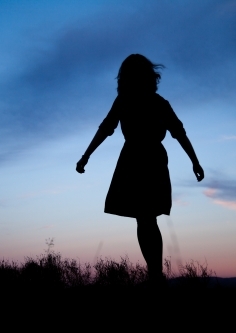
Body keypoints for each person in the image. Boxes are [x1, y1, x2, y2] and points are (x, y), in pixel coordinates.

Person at [76, 54, 204, 284]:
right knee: (145, 219)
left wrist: (195, 161)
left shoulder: (152, 103)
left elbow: (178, 132)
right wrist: (85, 156)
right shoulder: (137, 102)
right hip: (139, 160)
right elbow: (106, 128)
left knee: (146, 219)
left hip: (144, 160)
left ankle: (155, 274)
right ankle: (155, 273)